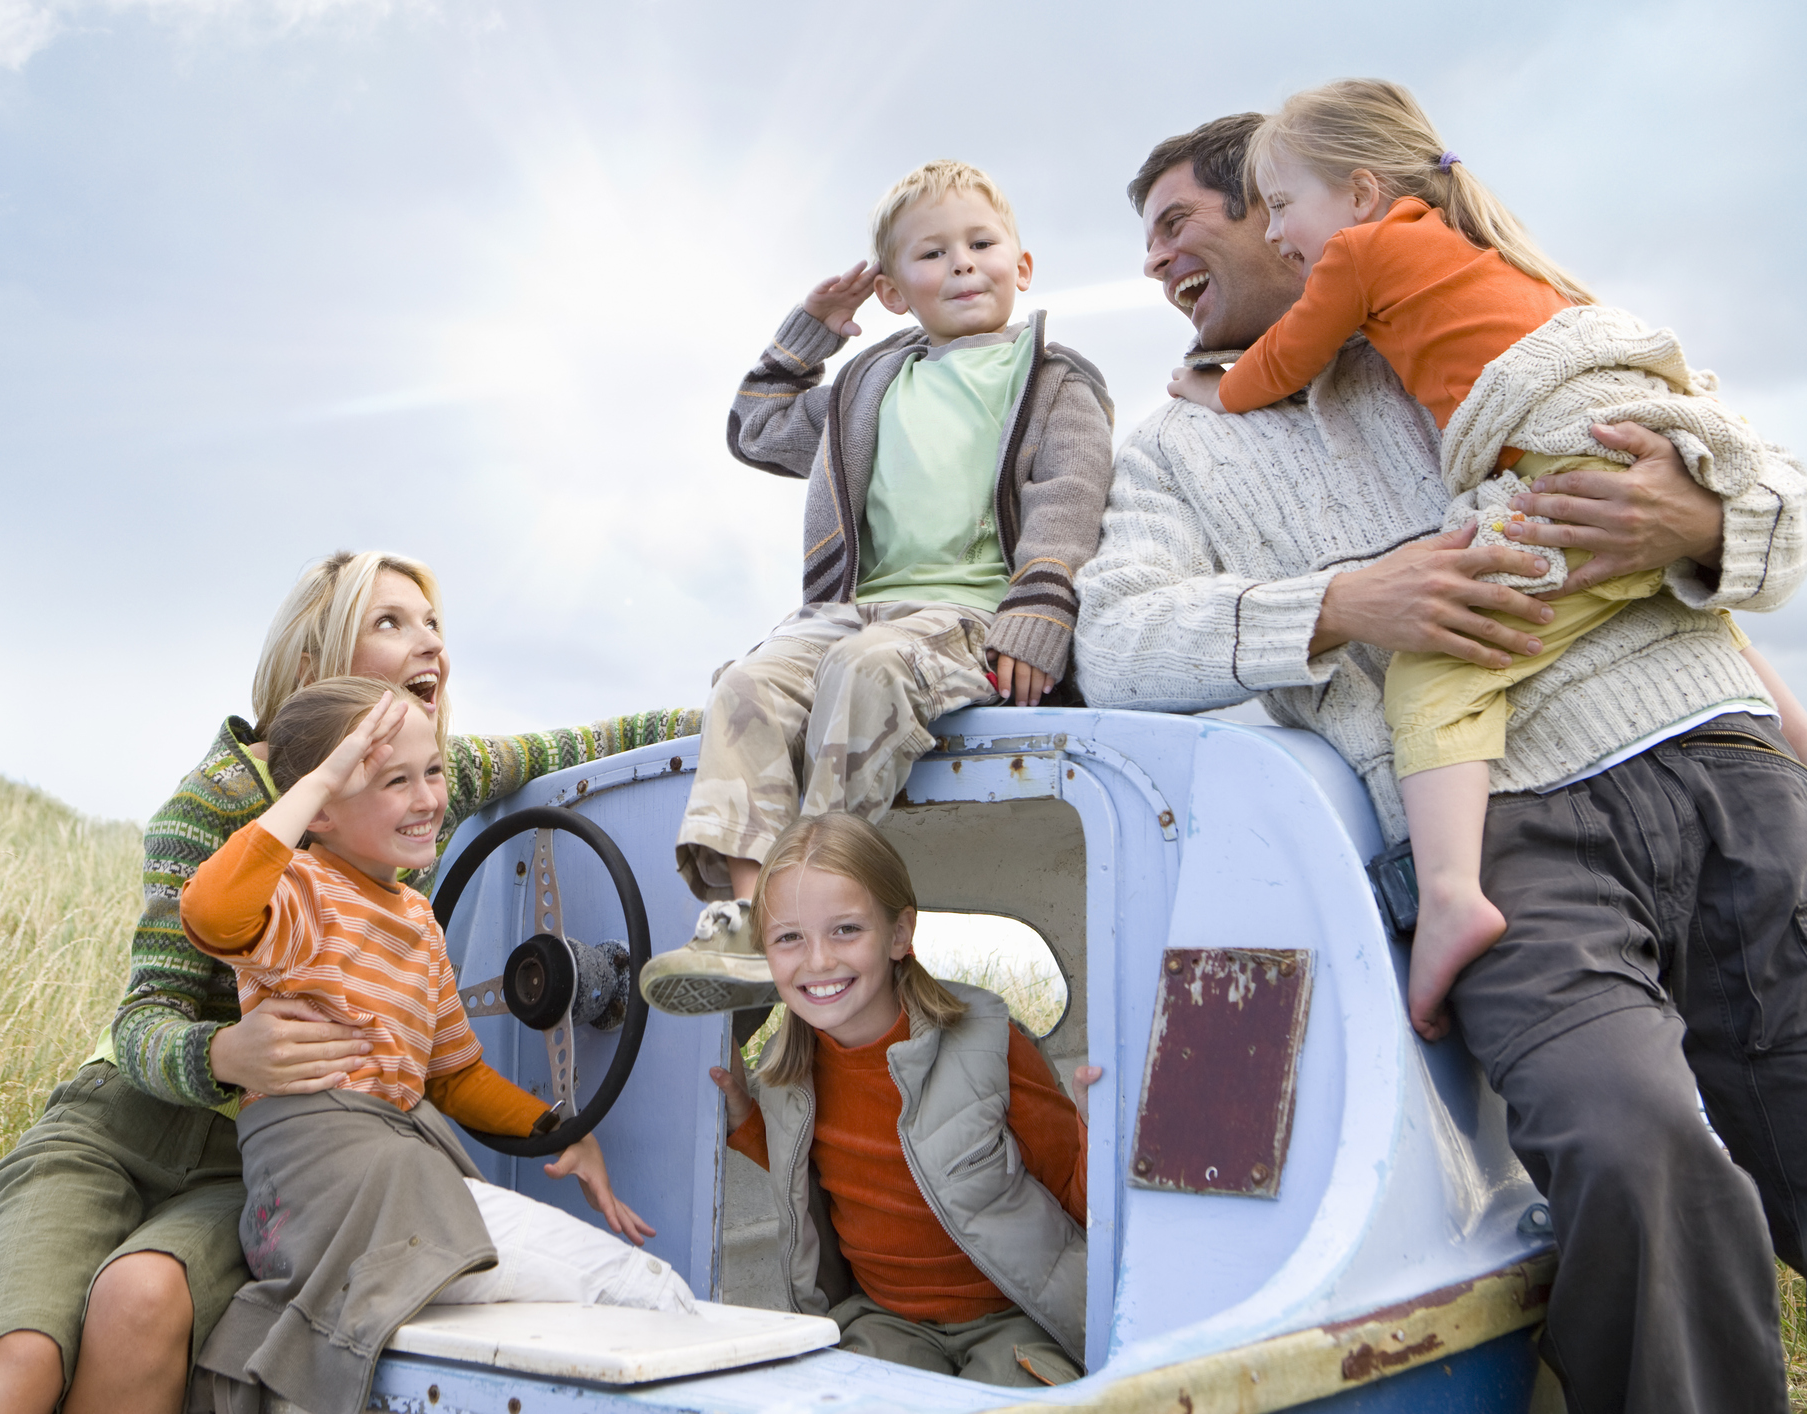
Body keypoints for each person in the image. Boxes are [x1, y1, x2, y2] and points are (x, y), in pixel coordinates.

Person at [1076, 113, 1807, 1413]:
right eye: (1143, 239)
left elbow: (1772, 487)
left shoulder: (1487, 322)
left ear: (1294, 214)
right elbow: (1118, 642)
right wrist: (1349, 603)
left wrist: (1701, 514)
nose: (1156, 260)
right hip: (1507, 849)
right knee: (1632, 1145)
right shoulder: (1169, 450)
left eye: (1184, 220)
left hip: (1718, 767)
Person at [0, 549, 700, 1414]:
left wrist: (736, 711)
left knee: (140, 1299)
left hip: (255, 1165)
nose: (431, 648)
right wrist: (227, 1050)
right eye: (390, 623)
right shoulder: (224, 815)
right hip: (131, 1120)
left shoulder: (419, 788)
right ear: (312, 668)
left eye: (433, 625)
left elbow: (586, 746)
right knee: (24, 1356)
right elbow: (153, 1008)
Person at [1163, 80, 1798, 1040]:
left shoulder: (1364, 255)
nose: (1152, 261)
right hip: (1605, 476)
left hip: (1567, 476)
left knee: (1429, 673)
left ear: (1360, 195)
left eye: (1278, 204)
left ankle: (1452, 889)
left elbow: (1281, 364)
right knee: (1679, 606)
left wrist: (1205, 393)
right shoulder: (1481, 262)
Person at [644, 159, 1115, 1019]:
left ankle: (817, 917)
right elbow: (756, 432)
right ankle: (753, 919)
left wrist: (1040, 612)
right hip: (848, 609)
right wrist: (812, 334)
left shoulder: (1054, 381)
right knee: (747, 683)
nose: (962, 264)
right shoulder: (868, 384)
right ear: (894, 294)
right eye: (932, 255)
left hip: (968, 616)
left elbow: (1069, 502)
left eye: (980, 243)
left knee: (865, 671)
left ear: (1023, 264)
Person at [181, 678, 688, 1414]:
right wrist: (322, 777)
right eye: (393, 780)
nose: (427, 800)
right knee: (645, 1291)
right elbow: (208, 907)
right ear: (320, 808)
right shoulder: (303, 895)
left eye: (434, 772)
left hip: (391, 1171)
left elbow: (456, 1075)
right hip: (344, 1181)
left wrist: (561, 1131)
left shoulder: (417, 921)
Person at [707, 812, 1086, 1386]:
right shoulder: (788, 1075)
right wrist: (742, 1113)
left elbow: (1070, 1196)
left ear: (900, 934)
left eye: (845, 930)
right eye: (789, 938)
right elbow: (821, 1162)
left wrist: (1095, 1131)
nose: (818, 961)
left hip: (1015, 1314)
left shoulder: (986, 1045)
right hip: (887, 1319)